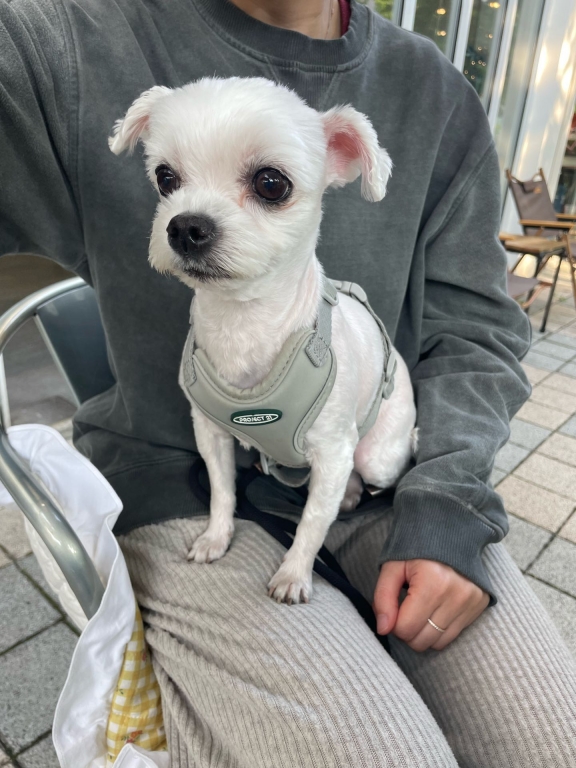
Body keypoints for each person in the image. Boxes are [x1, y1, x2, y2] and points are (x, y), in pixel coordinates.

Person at [1, 0, 575, 764]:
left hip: (376, 477)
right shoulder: (62, 41)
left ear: (339, 162)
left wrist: (448, 499)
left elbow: (476, 327)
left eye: (267, 185)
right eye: (170, 180)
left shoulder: (433, 92)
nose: (189, 218)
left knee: (554, 741)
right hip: (176, 482)